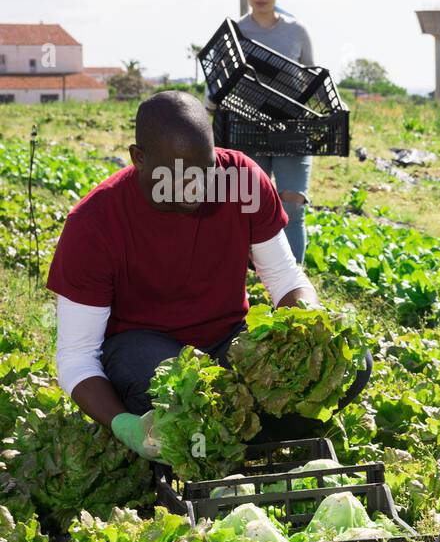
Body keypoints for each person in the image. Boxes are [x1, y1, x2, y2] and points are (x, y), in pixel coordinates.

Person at [45, 90, 370, 460]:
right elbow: (77, 355)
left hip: (229, 341)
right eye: (177, 176)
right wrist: (123, 425)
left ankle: (223, 442)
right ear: (139, 158)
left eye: (204, 171)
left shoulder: (242, 181)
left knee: (349, 364)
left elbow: (284, 278)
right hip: (142, 350)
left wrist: (312, 328)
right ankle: (227, 435)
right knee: (182, 394)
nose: (194, 189)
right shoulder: (94, 224)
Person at [234, 0, 314, 264]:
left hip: (292, 129)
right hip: (249, 127)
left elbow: (310, 77)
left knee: (292, 203)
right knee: (252, 204)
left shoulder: (296, 31)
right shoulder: (238, 31)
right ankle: (258, 272)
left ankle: (293, 282)